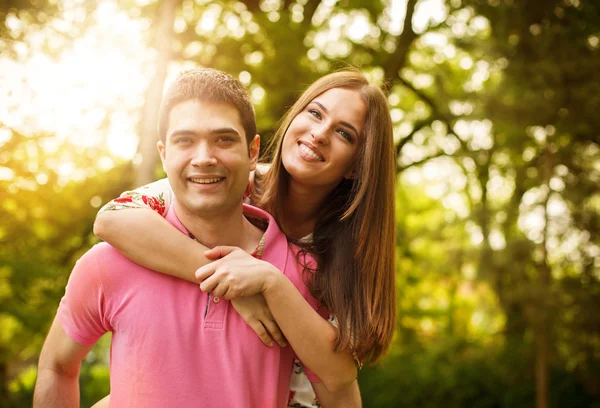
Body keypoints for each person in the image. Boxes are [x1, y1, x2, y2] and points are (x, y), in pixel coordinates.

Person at [33, 69, 357, 407]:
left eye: (224, 139)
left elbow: (339, 389)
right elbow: (56, 367)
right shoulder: (106, 263)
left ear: (253, 152)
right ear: (164, 154)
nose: (204, 158)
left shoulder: (305, 274)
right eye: (185, 140)